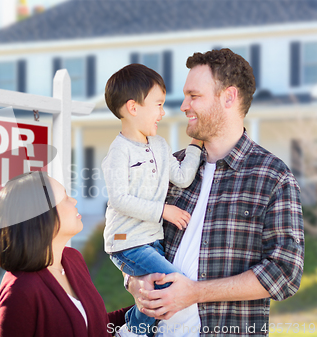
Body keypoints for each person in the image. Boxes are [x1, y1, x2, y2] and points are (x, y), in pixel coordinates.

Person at [125, 49, 305, 337]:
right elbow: (132, 235)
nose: (183, 105)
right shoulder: (169, 168)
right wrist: (135, 282)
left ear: (228, 97)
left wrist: (195, 292)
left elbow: (285, 273)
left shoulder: (273, 177)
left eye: (194, 96)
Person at [102, 63, 203, 335]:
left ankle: (132, 329)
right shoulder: (118, 153)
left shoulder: (159, 145)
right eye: (158, 105)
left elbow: (181, 177)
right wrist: (163, 211)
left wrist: (195, 146)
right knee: (174, 283)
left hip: (151, 239)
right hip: (126, 242)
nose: (163, 112)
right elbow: (120, 199)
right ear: (133, 108)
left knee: (155, 290)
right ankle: (132, 331)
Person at [0, 171, 132, 337]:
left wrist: (147, 308)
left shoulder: (72, 259)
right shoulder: (19, 291)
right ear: (41, 216)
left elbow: (95, 326)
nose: (74, 201)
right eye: (65, 198)